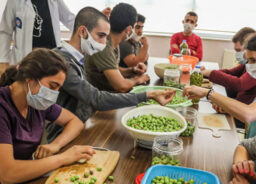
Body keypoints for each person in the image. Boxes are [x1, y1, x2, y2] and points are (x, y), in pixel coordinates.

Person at [46, 7, 175, 142]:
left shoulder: (79, 57)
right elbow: (97, 99)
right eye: (101, 36)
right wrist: (148, 95)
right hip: (63, 134)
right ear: (83, 31)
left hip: (86, 122)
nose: (103, 43)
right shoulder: (62, 63)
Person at [183, 30, 256, 182]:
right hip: (253, 158)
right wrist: (229, 108)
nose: (249, 66)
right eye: (248, 61)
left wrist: (209, 93)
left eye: (254, 60)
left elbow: (249, 114)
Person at [0, 48, 96, 184]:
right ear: (30, 78)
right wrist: (62, 158)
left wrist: (55, 145)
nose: (54, 94)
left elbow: (75, 122)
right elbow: (7, 174)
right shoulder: (3, 108)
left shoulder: (36, 102)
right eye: (52, 86)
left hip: (27, 183)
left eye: (58, 88)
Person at [0, 0, 111, 75]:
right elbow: (5, 31)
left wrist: (94, 21)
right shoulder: (15, 2)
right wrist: (3, 62)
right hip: (26, 58)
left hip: (51, 56)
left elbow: (71, 20)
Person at [85, 3, 150, 93]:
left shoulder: (114, 41)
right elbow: (121, 86)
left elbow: (112, 69)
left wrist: (132, 70)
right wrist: (138, 79)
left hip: (109, 94)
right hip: (100, 99)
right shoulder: (103, 46)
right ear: (128, 29)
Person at [201, 27, 256, 105]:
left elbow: (239, 84)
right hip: (237, 102)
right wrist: (206, 74)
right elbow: (230, 72)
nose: (237, 54)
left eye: (239, 50)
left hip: (242, 107)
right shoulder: (247, 63)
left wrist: (210, 73)